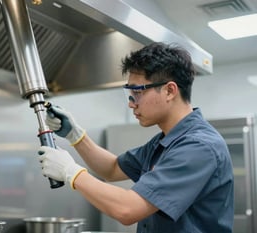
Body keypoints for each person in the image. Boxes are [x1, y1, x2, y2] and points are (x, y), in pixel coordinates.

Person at [38, 42, 234, 233]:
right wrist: (76, 135)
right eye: (129, 94)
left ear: (169, 91)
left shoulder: (198, 146)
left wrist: (71, 173)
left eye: (137, 92)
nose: (131, 104)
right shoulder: (163, 142)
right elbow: (112, 169)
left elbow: (128, 210)